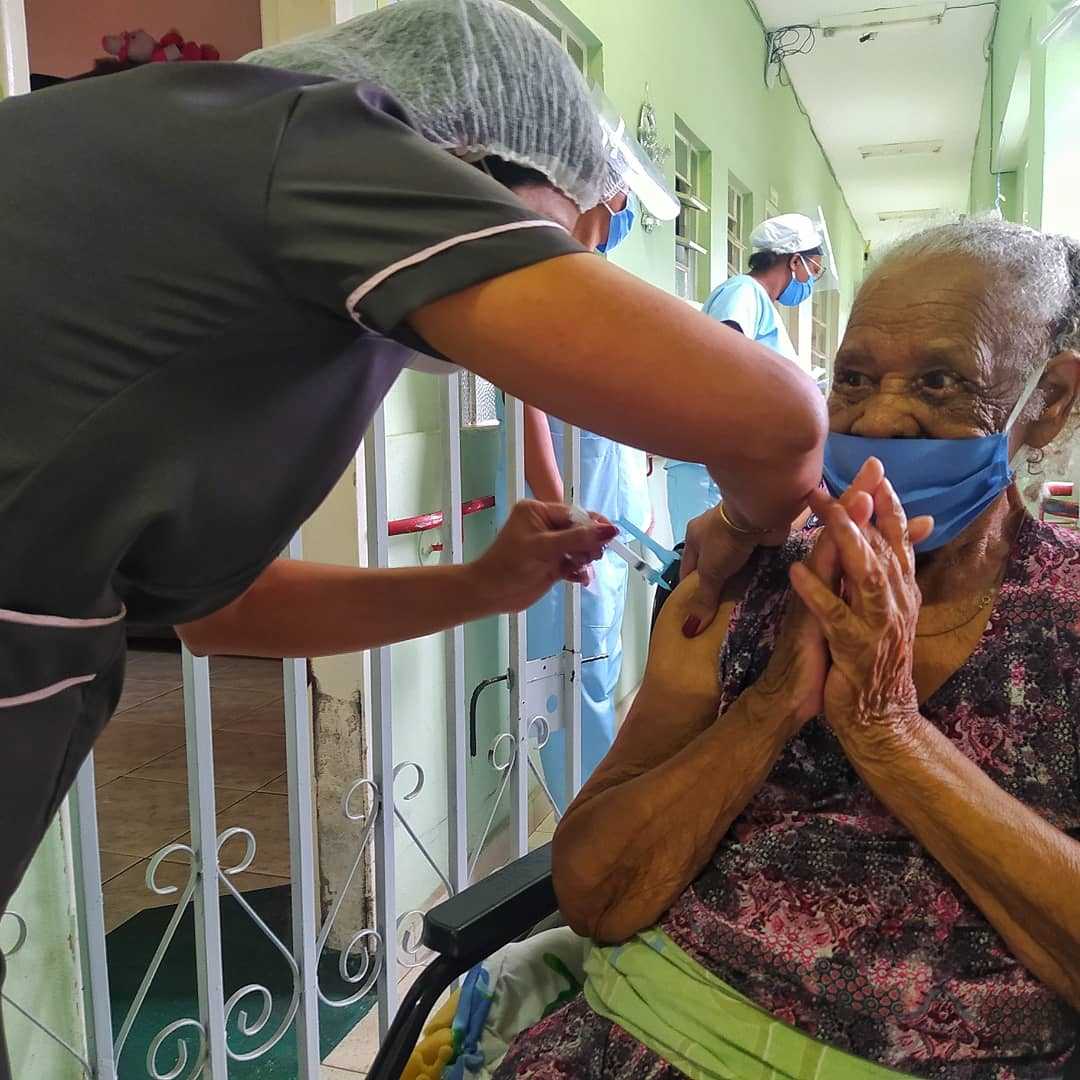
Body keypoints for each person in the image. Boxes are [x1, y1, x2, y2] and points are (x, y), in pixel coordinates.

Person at [0, 1, 826, 1060]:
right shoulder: (320, 141)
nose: (574, 260)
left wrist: (483, 585)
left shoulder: (272, 275)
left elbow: (220, 609)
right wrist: (741, 537)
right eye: (568, 233)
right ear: (473, 176)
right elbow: (777, 419)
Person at [494, 218, 1080, 1079]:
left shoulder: (1063, 620)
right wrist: (772, 706)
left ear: (1052, 399)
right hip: (630, 1039)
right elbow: (593, 892)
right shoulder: (750, 582)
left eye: (942, 381)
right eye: (853, 379)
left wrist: (889, 732)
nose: (882, 416)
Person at [496, 193, 652, 810]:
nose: (627, 211)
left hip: (605, 527)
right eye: (626, 200)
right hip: (570, 529)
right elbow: (527, 403)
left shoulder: (596, 282)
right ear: (602, 194)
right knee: (570, 669)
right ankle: (586, 821)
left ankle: (597, 810)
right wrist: (560, 511)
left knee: (597, 661)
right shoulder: (542, 275)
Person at [666, 212, 824, 545]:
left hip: (726, 464)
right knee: (704, 565)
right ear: (795, 261)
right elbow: (727, 358)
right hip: (711, 466)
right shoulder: (744, 290)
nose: (810, 281)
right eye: (814, 270)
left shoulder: (760, 302)